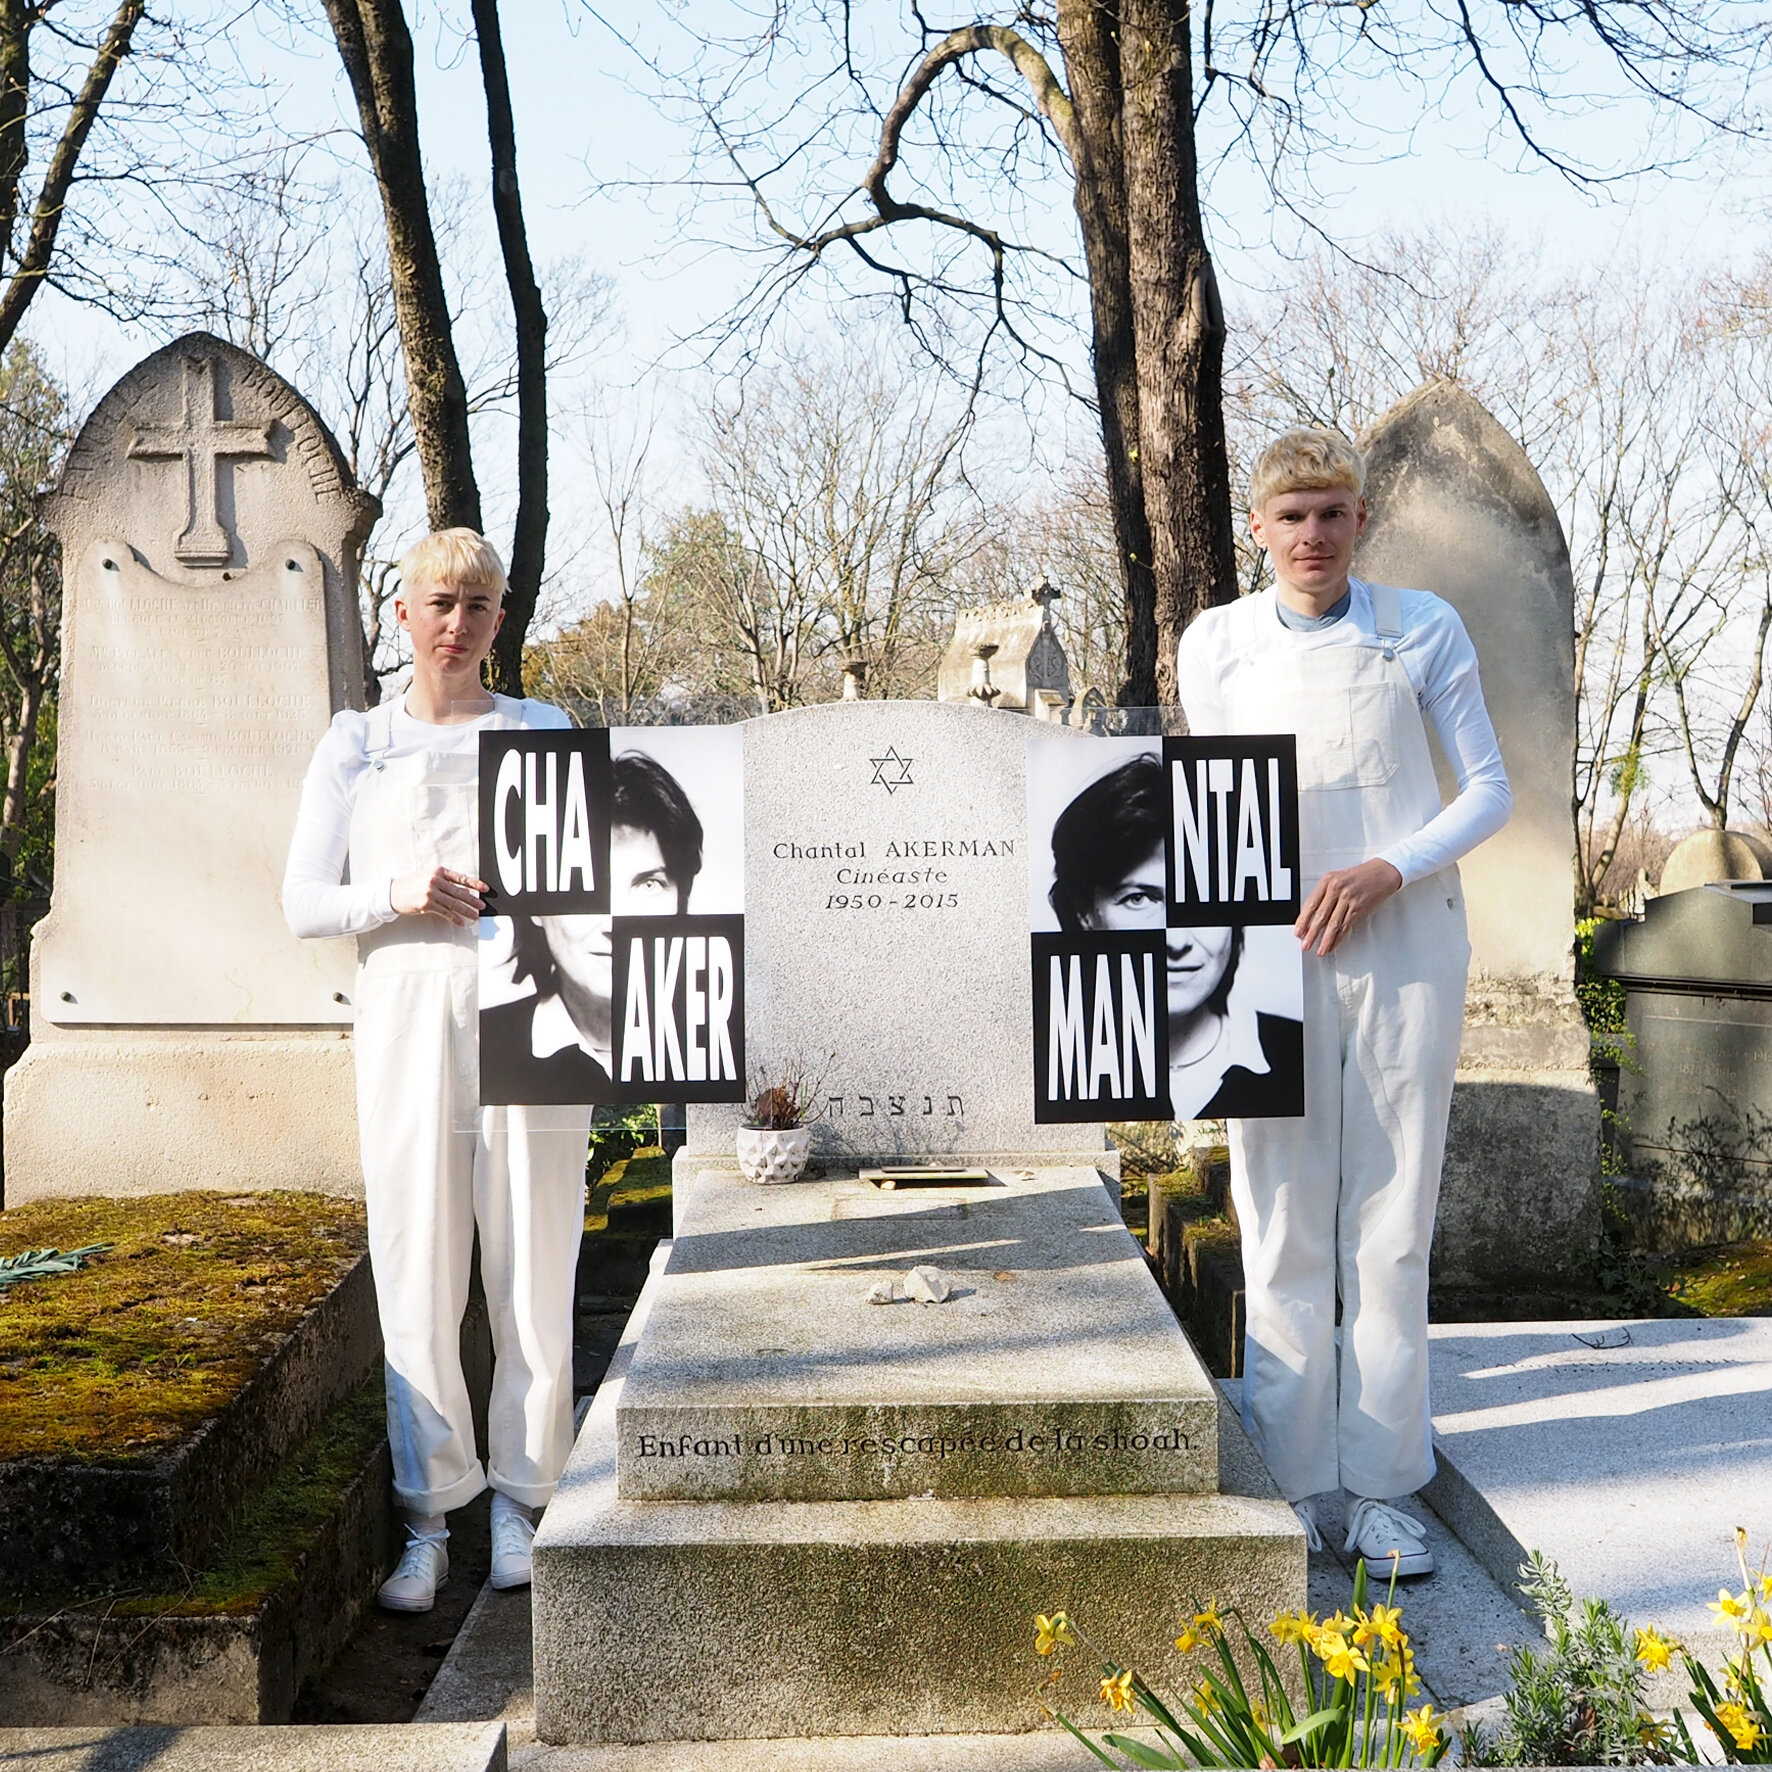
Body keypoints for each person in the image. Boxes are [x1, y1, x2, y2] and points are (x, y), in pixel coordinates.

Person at [1175, 429, 1512, 1578]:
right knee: (1276, 1212)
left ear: (1358, 521)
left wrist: (1388, 866)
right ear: (1257, 530)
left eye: (1330, 512)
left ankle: (1378, 1488)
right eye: (1290, 516)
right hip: (1266, 958)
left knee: (1386, 1215)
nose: (1311, 535)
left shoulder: (1418, 627)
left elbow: (1487, 789)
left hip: (1404, 942)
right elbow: (1206, 809)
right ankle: (1291, 1477)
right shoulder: (1213, 643)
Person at [282, 528, 591, 1612]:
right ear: (402, 612)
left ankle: (525, 1491)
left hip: (532, 1003)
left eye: (478, 603)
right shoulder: (356, 742)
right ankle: (428, 1513)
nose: (456, 622)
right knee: (416, 1254)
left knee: (532, 1250)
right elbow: (302, 899)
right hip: (408, 1004)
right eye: (438, 601)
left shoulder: (544, 733)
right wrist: (398, 889)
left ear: (501, 618)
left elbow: (604, 892)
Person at [1047, 752, 1302, 1119]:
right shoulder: (1056, 1061)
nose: (1177, 939)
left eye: (1202, 900)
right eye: (1138, 898)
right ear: (1085, 911)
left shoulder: (1296, 1052)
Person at [480, 751, 705, 1104]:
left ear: (682, 901)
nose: (615, 923)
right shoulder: (484, 1043)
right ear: (536, 907)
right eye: (586, 888)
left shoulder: (712, 1041)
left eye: (649, 884)